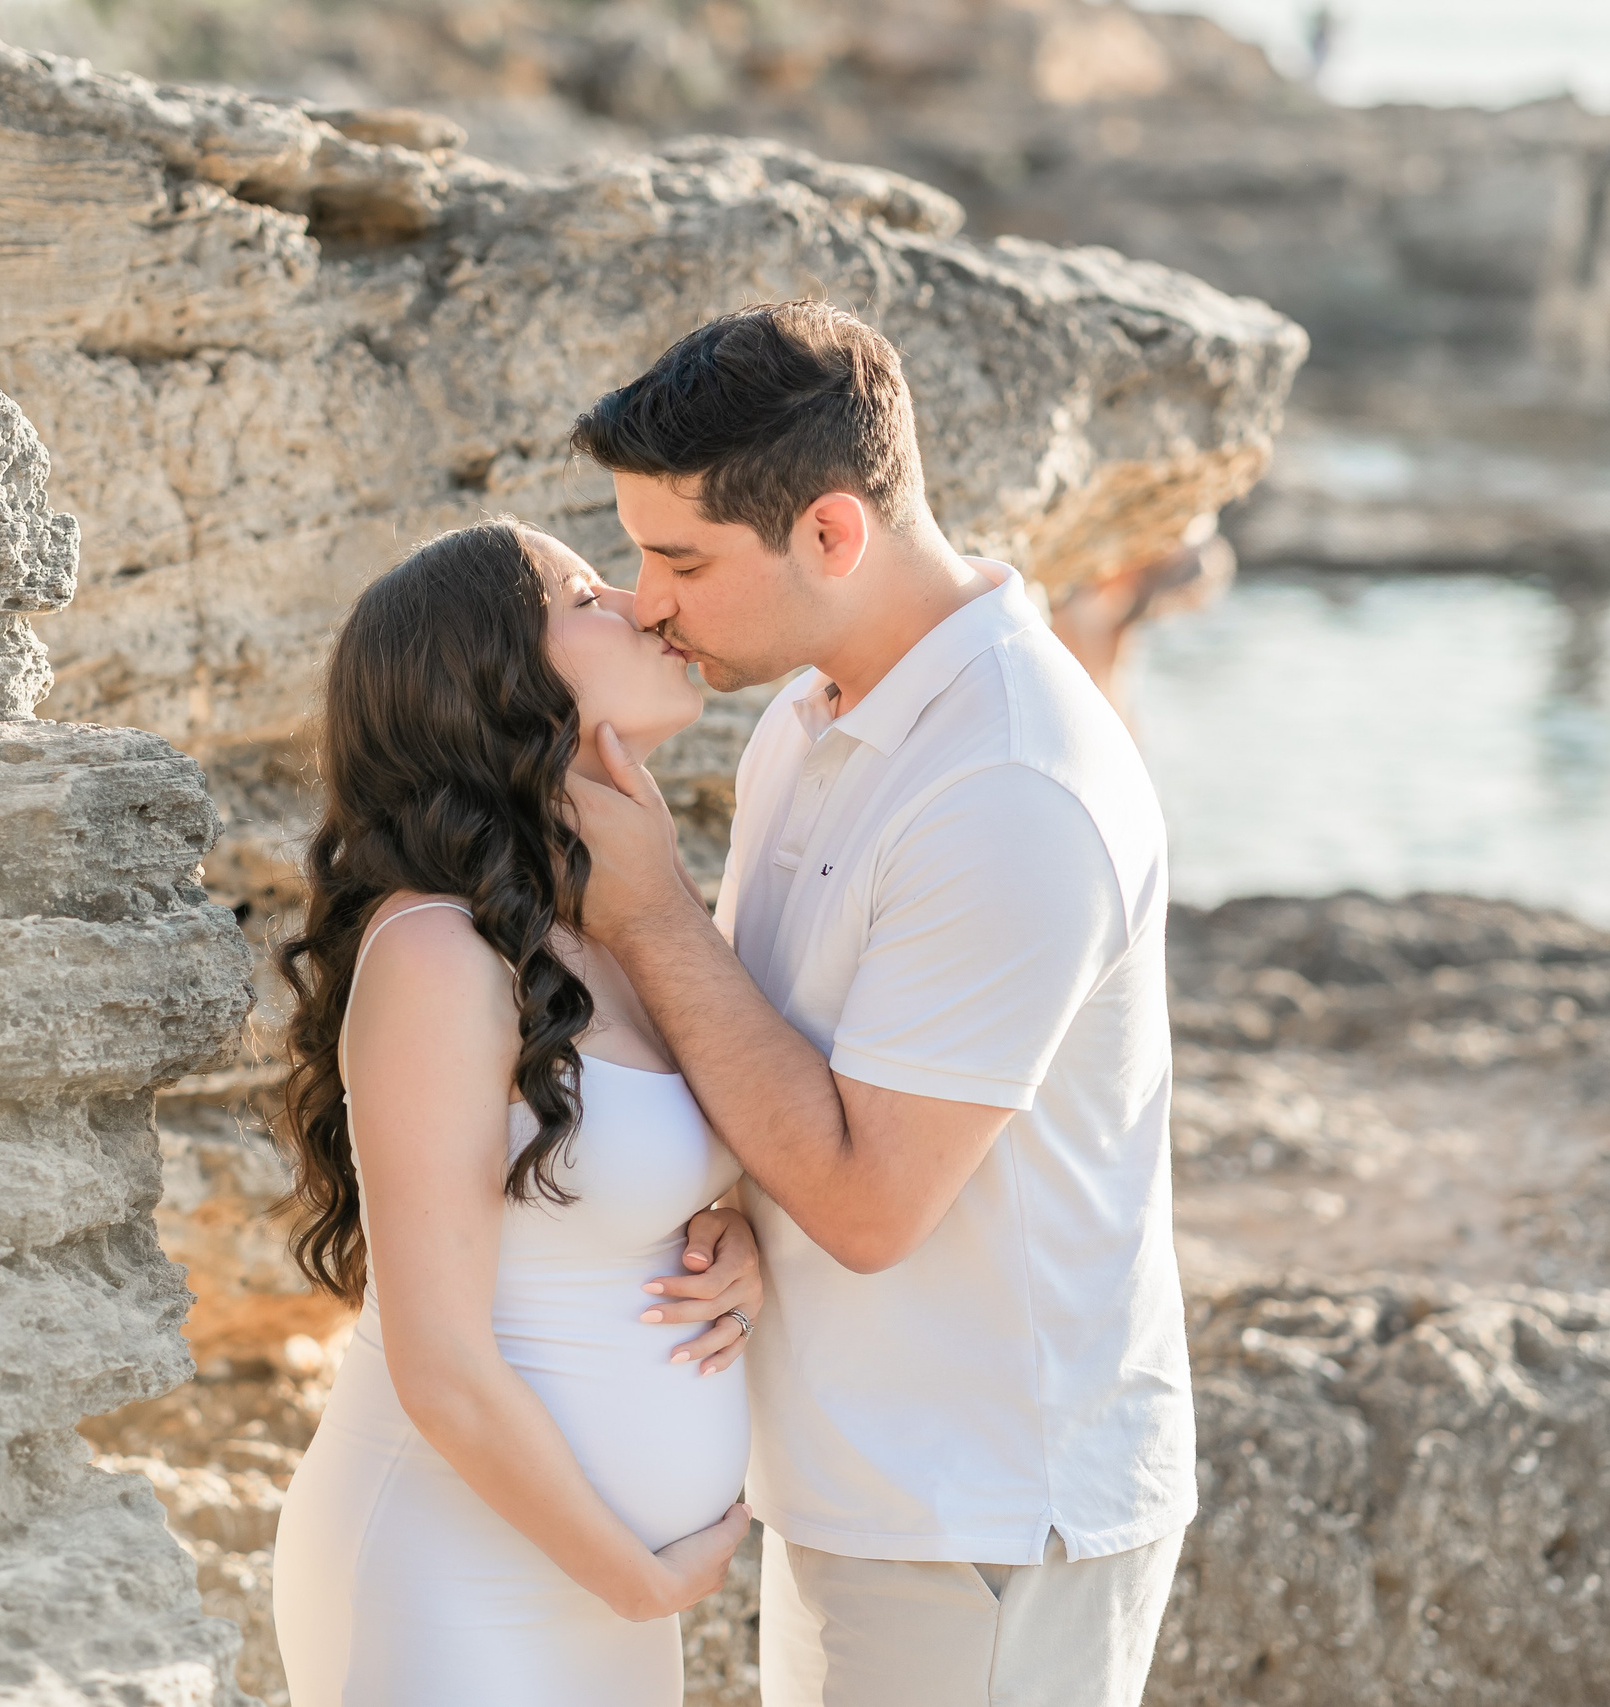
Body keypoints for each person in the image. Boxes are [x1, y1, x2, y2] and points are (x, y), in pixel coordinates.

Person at [562, 301, 1194, 1706]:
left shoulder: (1010, 786)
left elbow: (866, 1201)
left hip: (983, 1511)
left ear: (832, 535)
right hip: (867, 1481)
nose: (646, 599)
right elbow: (777, 1063)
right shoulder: (813, 711)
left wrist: (652, 907)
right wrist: (725, 1209)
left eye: (680, 557)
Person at [267, 520, 765, 1706]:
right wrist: (632, 1583)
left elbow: (652, 1166)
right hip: (455, 1580)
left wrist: (740, 1231)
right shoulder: (438, 954)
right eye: (588, 593)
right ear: (495, 676)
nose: (646, 606)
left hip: (596, 1580)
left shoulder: (618, 915)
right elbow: (440, 1364)